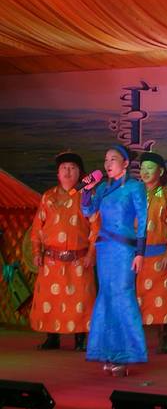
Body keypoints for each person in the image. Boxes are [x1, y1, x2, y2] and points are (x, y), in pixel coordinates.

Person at [81, 145, 148, 377]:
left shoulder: (135, 187)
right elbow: (88, 211)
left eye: (113, 159)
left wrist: (140, 252)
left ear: (126, 163)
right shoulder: (103, 188)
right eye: (106, 160)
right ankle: (109, 353)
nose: (108, 164)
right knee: (107, 298)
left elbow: (143, 220)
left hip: (124, 250)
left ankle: (125, 355)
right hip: (105, 250)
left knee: (122, 297)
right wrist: (87, 191)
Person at [30, 151, 99, 352]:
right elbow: (38, 227)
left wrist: (91, 254)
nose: (68, 172)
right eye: (64, 168)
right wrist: (36, 252)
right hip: (52, 259)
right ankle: (52, 338)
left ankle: (80, 339)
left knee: (80, 300)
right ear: (58, 174)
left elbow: (96, 228)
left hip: (79, 259)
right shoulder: (48, 196)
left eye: (72, 168)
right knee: (51, 300)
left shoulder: (87, 196)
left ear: (80, 173)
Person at [137, 152, 167, 354]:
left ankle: (164, 340)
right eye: (142, 168)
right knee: (136, 300)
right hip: (138, 258)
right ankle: (136, 342)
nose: (145, 172)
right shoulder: (135, 194)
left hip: (160, 257)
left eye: (150, 168)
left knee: (163, 302)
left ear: (161, 171)